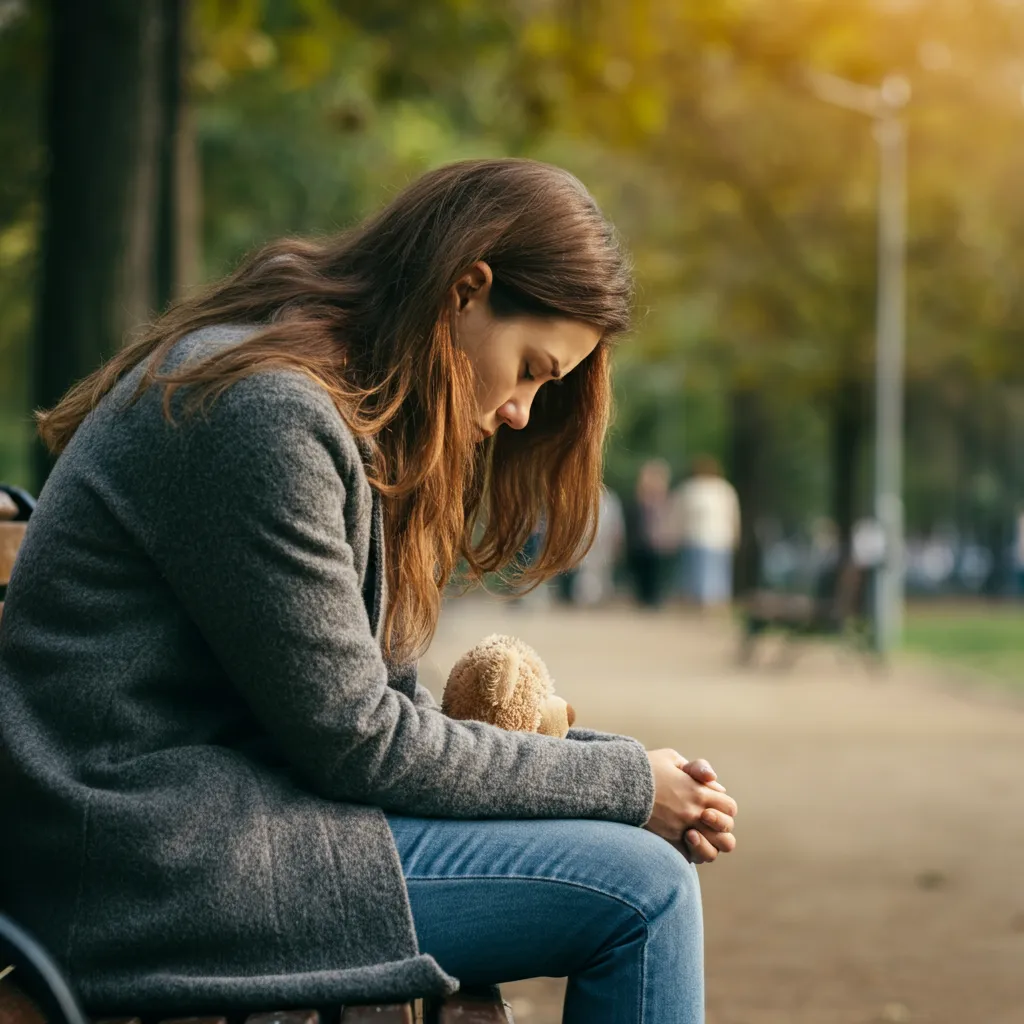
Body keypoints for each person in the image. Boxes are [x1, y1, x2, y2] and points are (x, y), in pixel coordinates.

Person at [0, 159, 737, 1024]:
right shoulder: (269, 413)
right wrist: (626, 783)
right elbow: (360, 742)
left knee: (633, 858)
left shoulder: (334, 404)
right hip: (147, 860)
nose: (523, 412)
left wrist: (630, 774)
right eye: (532, 367)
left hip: (216, 829)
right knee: (641, 891)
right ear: (467, 290)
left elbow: (373, 714)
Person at [669, 455, 741, 609]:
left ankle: (700, 601)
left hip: (697, 537)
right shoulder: (724, 489)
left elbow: (679, 514)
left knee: (696, 573)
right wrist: (735, 535)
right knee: (717, 572)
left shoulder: (690, 488)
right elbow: (733, 515)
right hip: (718, 538)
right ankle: (713, 602)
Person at [624, 458, 674, 608]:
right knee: (642, 571)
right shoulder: (639, 502)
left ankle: (654, 598)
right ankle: (644, 597)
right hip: (640, 543)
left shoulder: (665, 502)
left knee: (657, 573)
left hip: (659, 543)